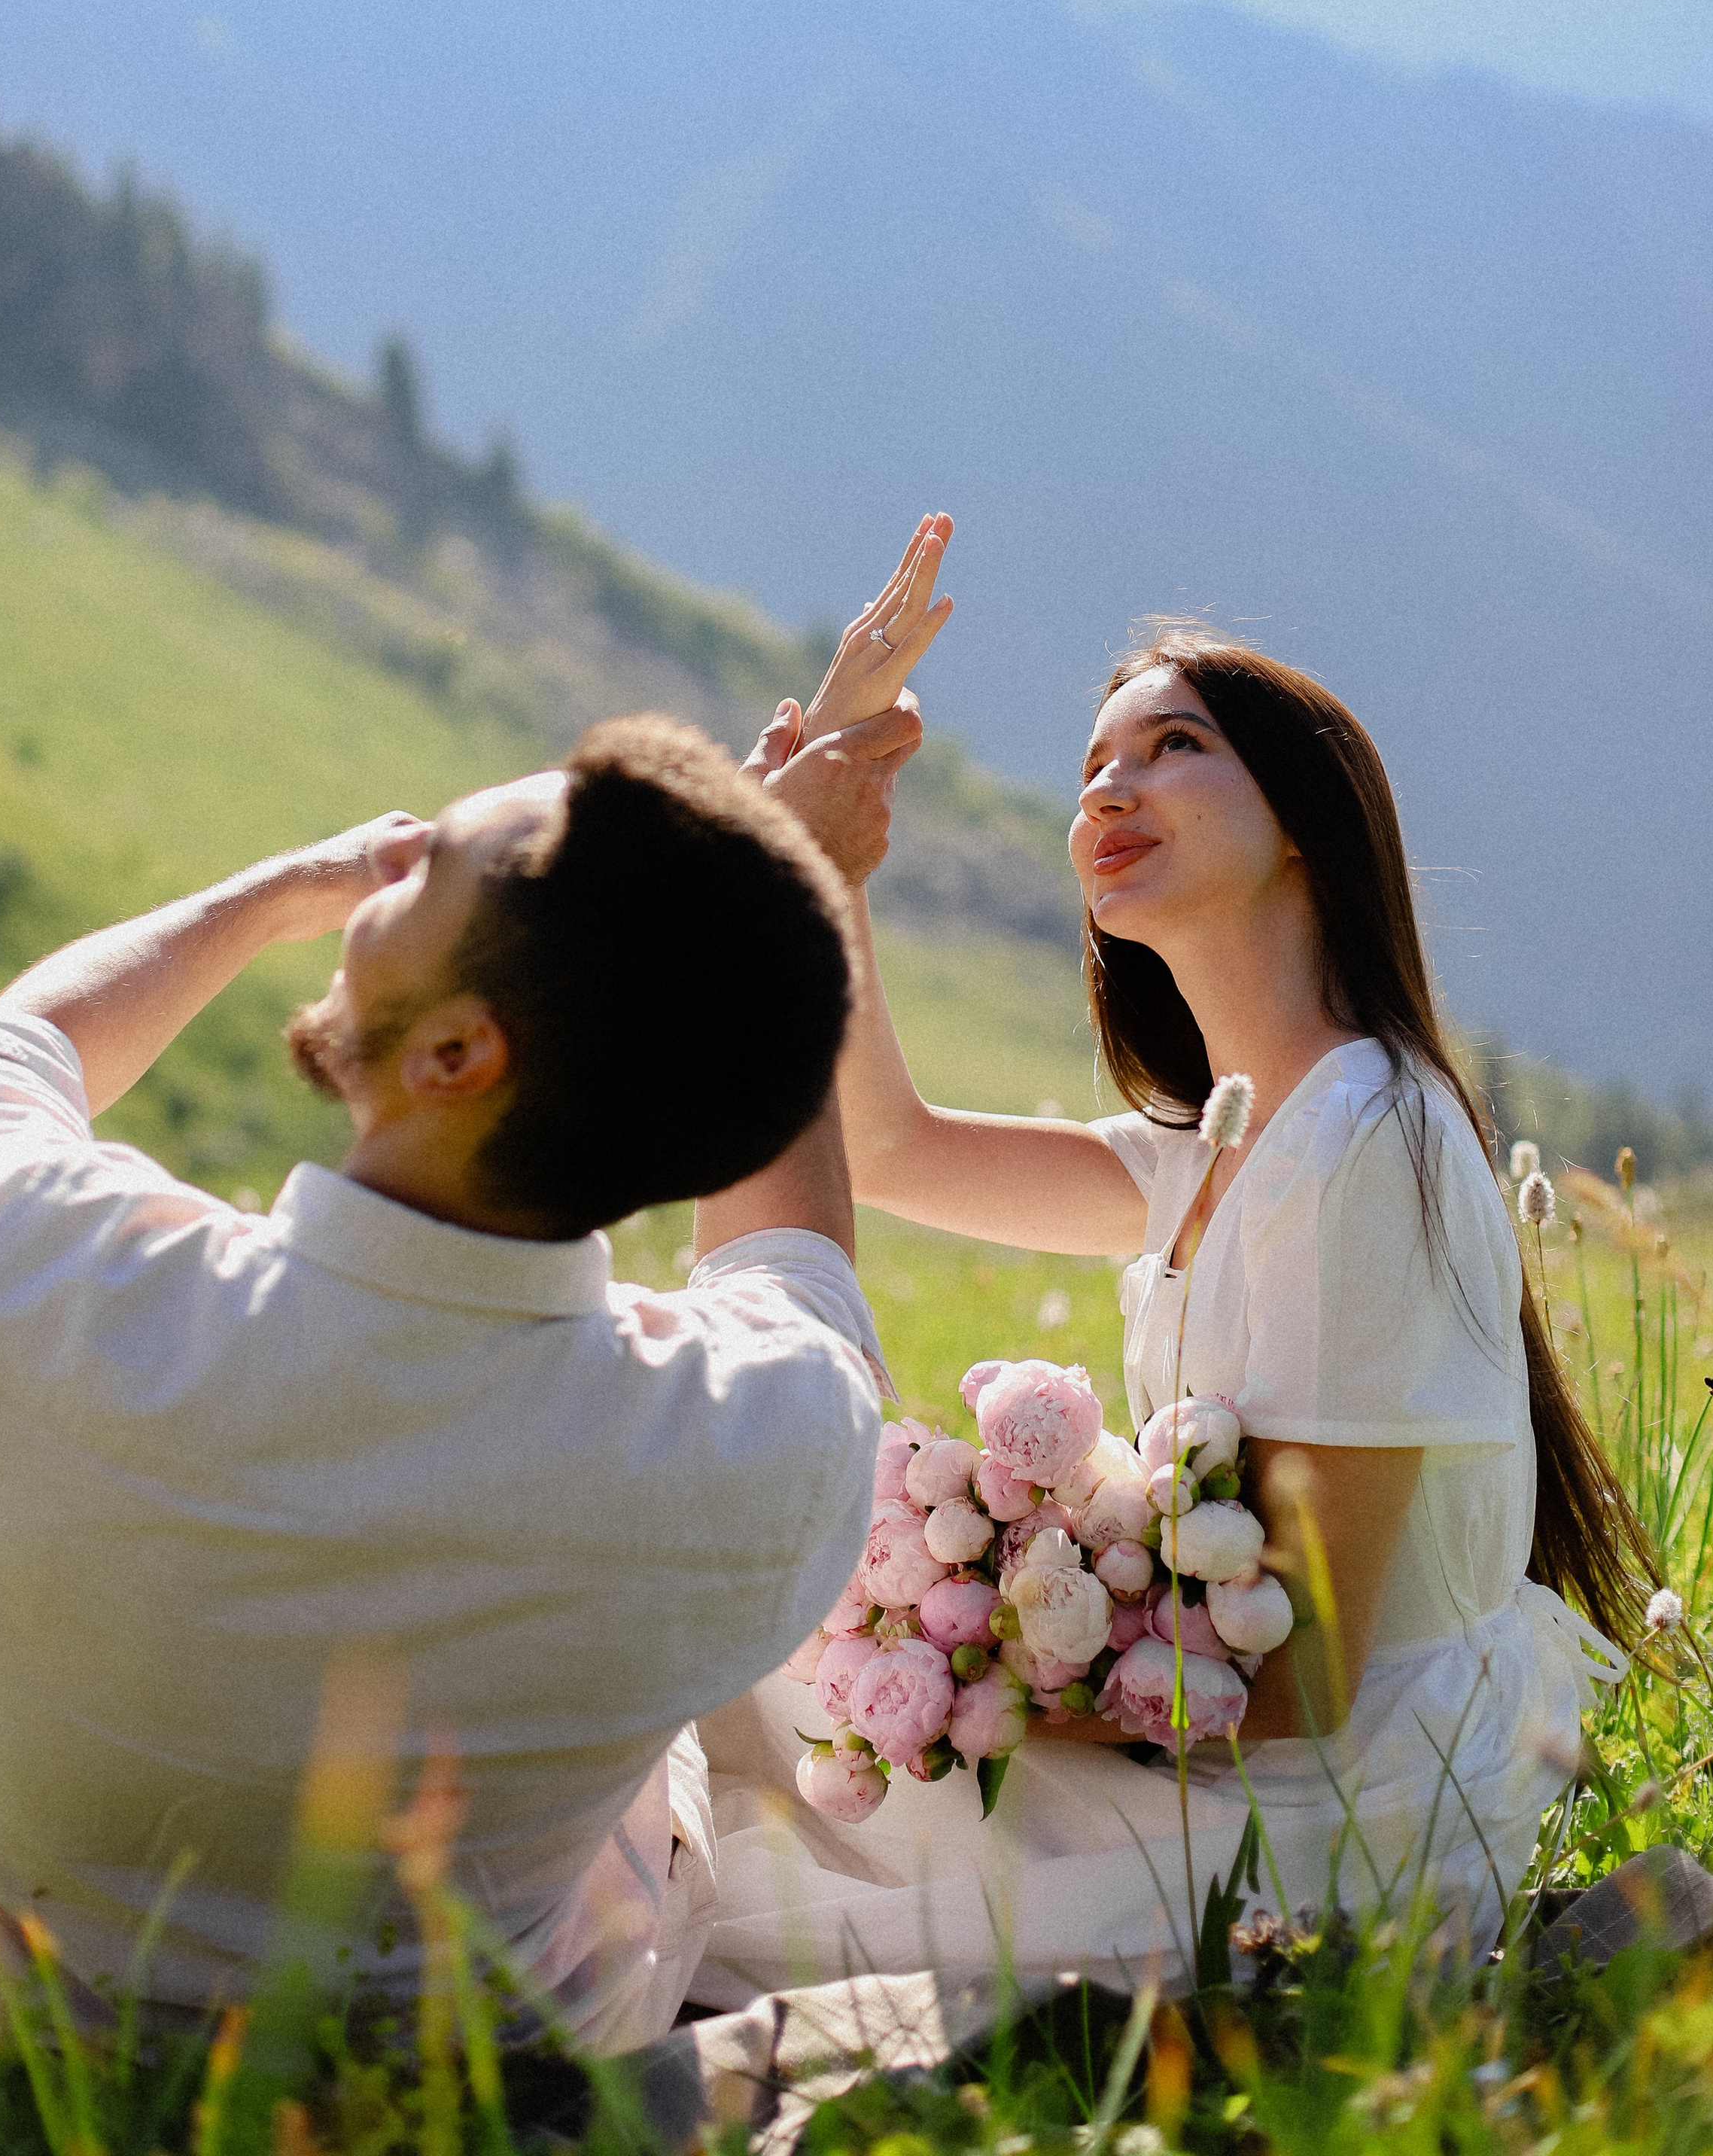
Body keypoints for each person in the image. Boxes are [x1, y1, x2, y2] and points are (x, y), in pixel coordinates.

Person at [0, 708, 916, 2048]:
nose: (390, 865)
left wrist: (284, 891)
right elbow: (793, 1267)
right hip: (473, 2069)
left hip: (27, 2010)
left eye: (424, 869)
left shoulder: (47, 1264)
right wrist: (772, 904)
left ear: (457, 1055)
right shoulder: (762, 1442)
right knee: (666, 1747)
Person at [696, 524, 1650, 2002]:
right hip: (1223, 1727)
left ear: (1301, 823)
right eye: (1089, 766)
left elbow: (1302, 1682)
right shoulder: (1204, 1147)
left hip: (1329, 1814)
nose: (1105, 788)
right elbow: (883, 1151)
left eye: (1172, 745)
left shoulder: (1361, 1132)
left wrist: (956, 1678)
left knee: (757, 1715)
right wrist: (818, 841)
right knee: (743, 1654)